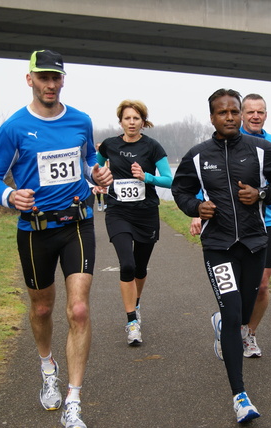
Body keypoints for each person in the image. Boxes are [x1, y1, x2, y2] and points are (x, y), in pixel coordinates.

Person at [0, 50, 112, 428]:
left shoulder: (80, 120)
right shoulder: (14, 127)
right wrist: (9, 196)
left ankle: (73, 401)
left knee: (79, 310)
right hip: (36, 230)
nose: (50, 84)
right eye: (43, 78)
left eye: (56, 78)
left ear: (63, 80)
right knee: (41, 309)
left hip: (78, 224)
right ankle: (47, 366)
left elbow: (87, 161)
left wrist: (96, 176)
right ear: (30, 80)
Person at [172, 89, 271, 423]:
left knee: (242, 309)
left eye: (234, 111)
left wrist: (263, 194)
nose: (229, 116)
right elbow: (180, 190)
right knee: (231, 311)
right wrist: (195, 207)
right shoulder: (198, 156)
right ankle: (240, 396)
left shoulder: (261, 150)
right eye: (222, 112)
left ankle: (225, 323)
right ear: (212, 117)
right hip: (218, 247)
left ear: (241, 114)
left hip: (255, 243)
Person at [190, 93, 271, 358]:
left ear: (266, 115)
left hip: (263, 224)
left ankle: (247, 334)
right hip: (227, 229)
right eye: (251, 111)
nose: (256, 116)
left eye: (261, 112)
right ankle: (230, 324)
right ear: (241, 114)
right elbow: (205, 182)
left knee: (262, 287)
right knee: (236, 291)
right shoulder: (229, 143)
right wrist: (197, 212)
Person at [96, 100, 173, 346]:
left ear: (143, 121)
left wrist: (146, 176)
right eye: (127, 118)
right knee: (126, 264)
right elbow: (94, 167)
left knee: (140, 268)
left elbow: (171, 181)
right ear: (120, 121)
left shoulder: (153, 147)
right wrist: (97, 179)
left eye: (136, 118)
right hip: (118, 212)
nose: (131, 122)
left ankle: (135, 303)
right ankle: (132, 322)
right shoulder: (109, 145)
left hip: (146, 213)